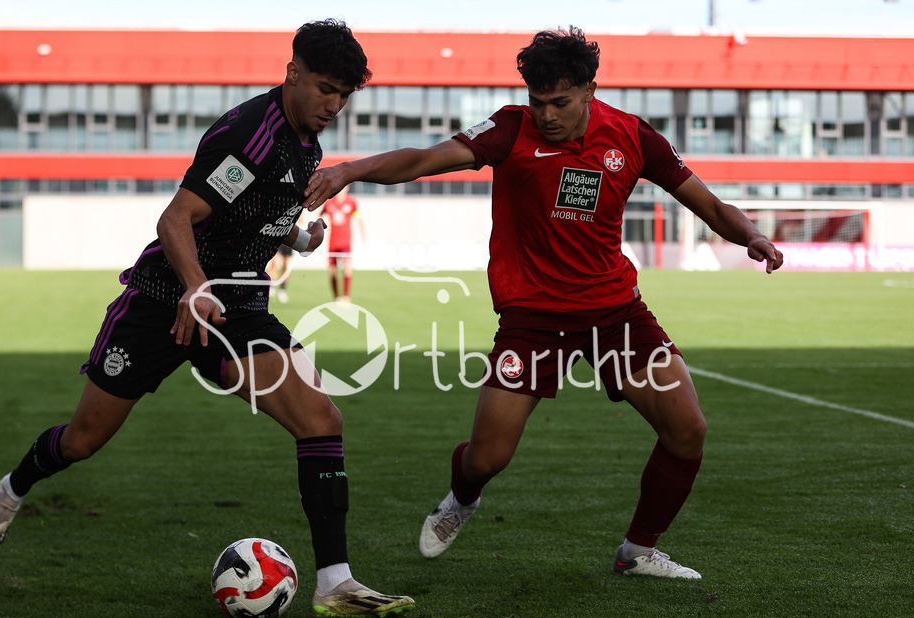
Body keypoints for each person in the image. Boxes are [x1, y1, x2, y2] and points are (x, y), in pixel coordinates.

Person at [0, 19, 414, 618]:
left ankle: (334, 583)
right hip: (163, 300)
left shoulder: (306, 140)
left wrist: (296, 236)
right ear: (293, 73)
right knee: (82, 441)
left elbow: (249, 211)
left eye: (344, 94)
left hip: (236, 307)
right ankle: (12, 489)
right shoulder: (248, 135)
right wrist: (193, 288)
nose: (332, 104)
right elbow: (176, 220)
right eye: (325, 88)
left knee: (321, 419)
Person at [304, 27, 783, 580]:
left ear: (589, 89)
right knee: (487, 459)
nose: (547, 114)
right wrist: (348, 170)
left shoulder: (631, 136)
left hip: (614, 312)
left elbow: (706, 202)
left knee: (688, 430)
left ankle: (638, 551)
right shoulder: (511, 128)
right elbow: (424, 159)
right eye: (538, 101)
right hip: (533, 318)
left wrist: (750, 234)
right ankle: (461, 499)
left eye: (560, 102)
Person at [321, 184, 365, 302]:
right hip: (332, 243)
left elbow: (358, 217)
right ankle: (336, 297)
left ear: (347, 188)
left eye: (343, 188)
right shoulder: (329, 203)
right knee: (333, 272)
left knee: (347, 269)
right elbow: (319, 218)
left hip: (346, 242)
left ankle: (346, 297)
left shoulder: (352, 202)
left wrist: (363, 237)